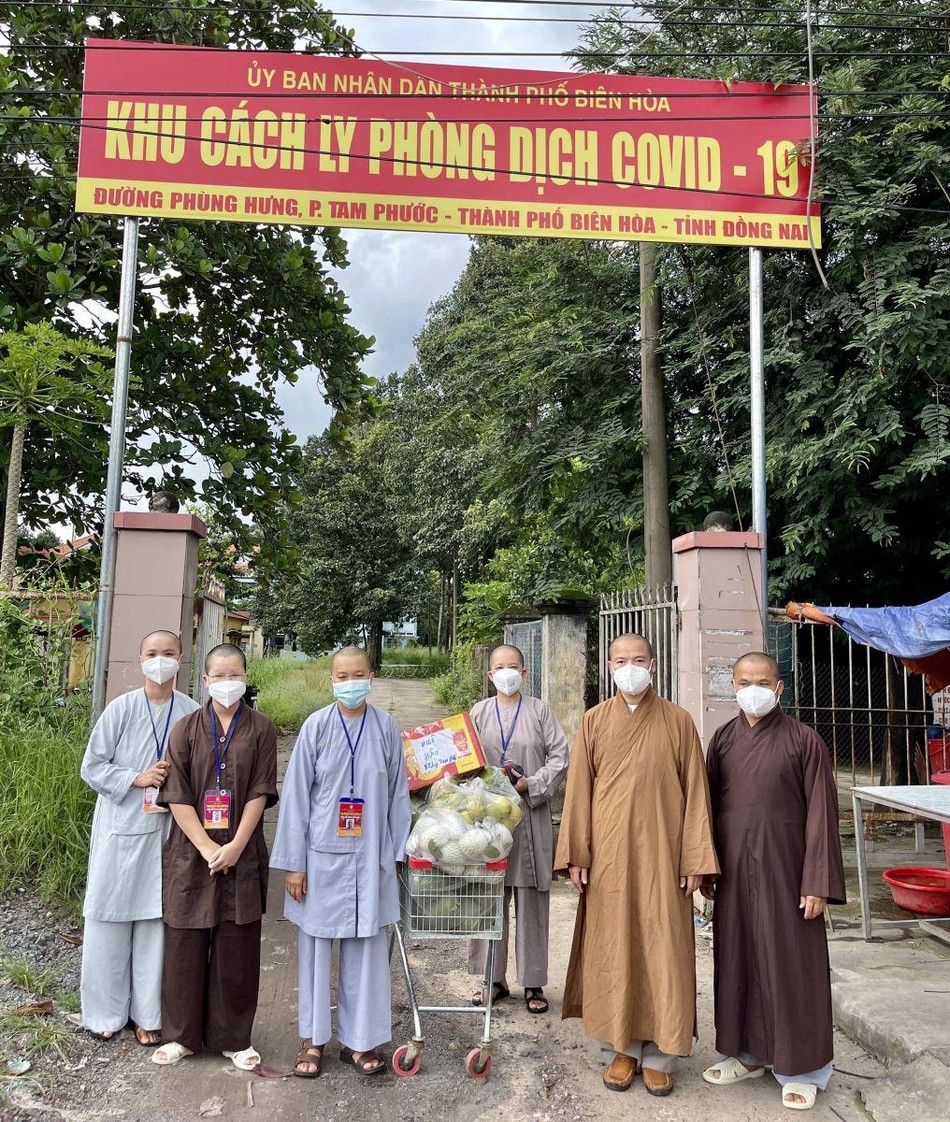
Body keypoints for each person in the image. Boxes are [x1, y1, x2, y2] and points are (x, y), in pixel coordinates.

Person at [554, 633, 718, 1097]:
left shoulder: (679, 722)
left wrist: (695, 859)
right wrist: (576, 853)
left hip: (664, 857)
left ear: (654, 664)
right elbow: (579, 792)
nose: (630, 668)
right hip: (608, 858)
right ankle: (621, 1050)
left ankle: (663, 1054)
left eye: (638, 659)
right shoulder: (593, 721)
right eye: (621, 660)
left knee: (663, 948)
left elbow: (697, 797)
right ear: (609, 667)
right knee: (615, 949)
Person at [701, 651, 846, 1112]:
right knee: (738, 958)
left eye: (762, 680)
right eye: (743, 681)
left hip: (789, 873)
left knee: (790, 965)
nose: (752, 689)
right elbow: (705, 810)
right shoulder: (722, 740)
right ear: (733, 686)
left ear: (779, 687)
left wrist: (817, 881)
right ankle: (747, 1055)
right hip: (736, 870)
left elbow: (822, 815)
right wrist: (707, 868)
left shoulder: (805, 741)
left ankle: (802, 1068)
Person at [270, 646, 411, 1079]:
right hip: (320, 857)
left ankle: (361, 1041)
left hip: (371, 856)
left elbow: (398, 795)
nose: (351, 682)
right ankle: (312, 1040)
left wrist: (398, 853)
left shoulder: (386, 727)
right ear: (332, 680)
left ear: (371, 676)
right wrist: (295, 864)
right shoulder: (315, 727)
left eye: (358, 674)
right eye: (342, 675)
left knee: (366, 949)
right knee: (315, 947)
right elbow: (295, 798)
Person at [151, 644, 277, 1069]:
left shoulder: (261, 728)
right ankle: (180, 1036)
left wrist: (237, 846)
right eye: (218, 676)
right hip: (191, 853)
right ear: (205, 681)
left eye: (234, 674)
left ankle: (233, 1038)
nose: (227, 683)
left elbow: (261, 790)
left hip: (241, 851)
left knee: (236, 945)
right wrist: (207, 846)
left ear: (245, 675)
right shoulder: (185, 729)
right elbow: (177, 794)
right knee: (183, 943)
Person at [79, 630, 200, 1045]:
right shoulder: (121, 709)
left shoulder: (191, 712)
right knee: (108, 920)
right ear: (140, 658)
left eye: (168, 653)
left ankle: (147, 1015)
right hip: (120, 830)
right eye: (153, 653)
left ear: (182, 659)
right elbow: (91, 767)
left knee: (155, 924)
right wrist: (136, 778)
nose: (160, 660)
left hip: (167, 831)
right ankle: (104, 1013)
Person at [468, 643, 568, 1014]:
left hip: (529, 817)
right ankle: (491, 979)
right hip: (487, 821)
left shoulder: (540, 711)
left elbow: (560, 757)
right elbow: (463, 760)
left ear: (524, 674)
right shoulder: (478, 712)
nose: (507, 672)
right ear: (490, 674)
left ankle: (533, 982)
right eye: (500, 666)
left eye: (514, 666)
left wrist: (532, 785)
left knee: (530, 901)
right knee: (488, 899)